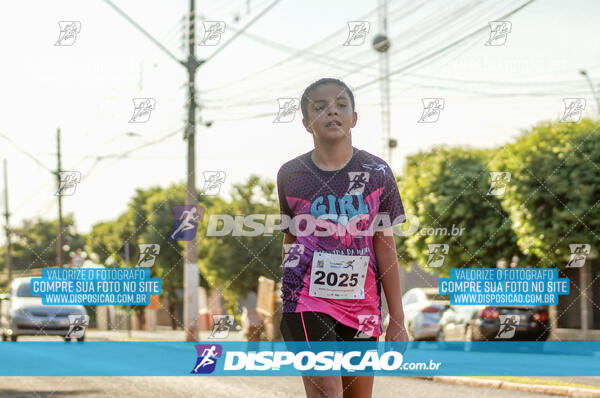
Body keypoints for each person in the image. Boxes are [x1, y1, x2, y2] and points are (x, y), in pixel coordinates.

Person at [277, 78, 408, 398]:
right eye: (319, 108)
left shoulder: (377, 172)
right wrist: (288, 293)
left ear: (354, 117)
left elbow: (385, 246)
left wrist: (397, 318)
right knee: (328, 391)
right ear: (307, 123)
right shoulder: (290, 175)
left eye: (340, 106)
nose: (331, 113)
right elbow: (290, 240)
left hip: (363, 305)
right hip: (307, 300)